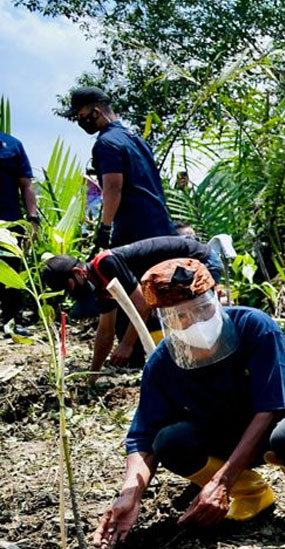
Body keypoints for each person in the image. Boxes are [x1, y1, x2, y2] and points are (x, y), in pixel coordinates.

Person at [93, 258, 285, 549]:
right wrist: (130, 493)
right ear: (165, 319)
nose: (194, 322)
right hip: (227, 427)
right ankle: (252, 496)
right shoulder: (163, 364)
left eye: (202, 309)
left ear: (217, 297)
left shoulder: (256, 328)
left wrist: (221, 482)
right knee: (169, 442)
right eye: (180, 316)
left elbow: (271, 407)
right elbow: (143, 437)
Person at [41, 235, 221, 373]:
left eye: (69, 287)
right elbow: (105, 331)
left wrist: (126, 345)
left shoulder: (105, 264)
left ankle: (212, 367)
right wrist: (93, 373)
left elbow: (142, 306)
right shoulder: (101, 285)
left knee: (196, 323)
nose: (71, 294)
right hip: (180, 275)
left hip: (200, 262)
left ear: (78, 272)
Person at [58, 86, 174, 252]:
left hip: (135, 232)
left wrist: (105, 228)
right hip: (162, 227)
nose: (80, 121)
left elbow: (113, 188)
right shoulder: (136, 139)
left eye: (81, 116)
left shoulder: (106, 143)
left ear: (96, 112)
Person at [0, 130, 39, 336]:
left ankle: (11, 321)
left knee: (12, 270)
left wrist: (32, 219)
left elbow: (26, 185)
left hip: (9, 221)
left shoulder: (12, 145)